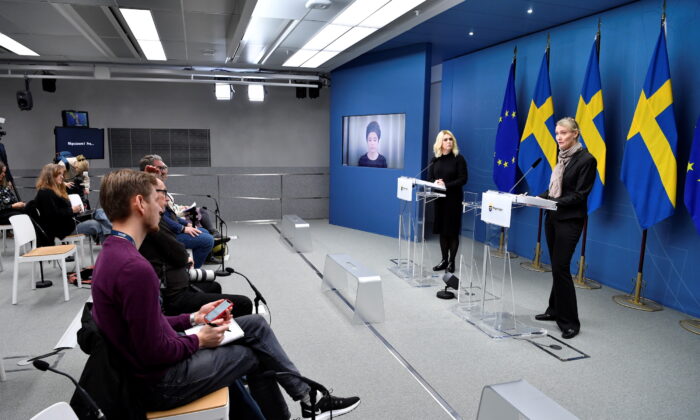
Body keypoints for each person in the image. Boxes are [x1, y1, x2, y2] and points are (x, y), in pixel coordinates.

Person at [91, 169, 360, 419]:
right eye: (155, 199)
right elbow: (153, 351)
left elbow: (150, 325)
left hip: (144, 370)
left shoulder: (112, 254)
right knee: (254, 355)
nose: (161, 208)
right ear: (140, 203)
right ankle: (301, 405)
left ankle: (307, 400)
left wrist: (195, 318)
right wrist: (200, 341)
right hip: (159, 383)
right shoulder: (135, 269)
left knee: (254, 325)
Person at [140, 176, 253, 317]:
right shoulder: (155, 226)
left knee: (214, 287)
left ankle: (211, 325)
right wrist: (185, 256)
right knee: (244, 303)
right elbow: (179, 254)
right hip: (175, 297)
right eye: (164, 192)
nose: (167, 198)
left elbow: (176, 250)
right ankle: (205, 328)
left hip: (179, 285)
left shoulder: (155, 222)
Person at [534, 117, 597, 340]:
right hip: (552, 218)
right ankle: (554, 310)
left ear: (575, 134)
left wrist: (551, 202)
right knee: (556, 266)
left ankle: (570, 322)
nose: (558, 137)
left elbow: (580, 195)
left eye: (563, 133)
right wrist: (534, 198)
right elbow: (553, 191)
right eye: (557, 133)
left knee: (561, 267)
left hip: (569, 220)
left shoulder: (586, 160)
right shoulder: (561, 158)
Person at [138, 154, 221, 238]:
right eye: (159, 168)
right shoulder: (145, 191)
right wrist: (183, 228)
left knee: (203, 223)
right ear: (148, 170)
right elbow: (163, 216)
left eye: (164, 168)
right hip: (169, 228)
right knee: (205, 236)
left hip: (174, 219)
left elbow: (169, 210)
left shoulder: (161, 188)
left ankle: (213, 235)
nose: (163, 172)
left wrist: (185, 220)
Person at [32, 163, 104, 246]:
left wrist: (74, 210)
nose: (62, 177)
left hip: (69, 224)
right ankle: (113, 243)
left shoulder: (52, 191)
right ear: (51, 176)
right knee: (97, 224)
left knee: (100, 212)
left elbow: (60, 211)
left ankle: (113, 241)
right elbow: (52, 216)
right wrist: (72, 210)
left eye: (62, 174)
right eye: (59, 174)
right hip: (64, 230)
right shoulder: (45, 193)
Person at [428, 130, 468, 273]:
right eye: (445, 139)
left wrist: (446, 185)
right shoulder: (435, 159)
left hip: (454, 200)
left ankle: (452, 262)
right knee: (442, 232)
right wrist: (435, 182)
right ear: (440, 142)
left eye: (451, 139)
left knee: (452, 232)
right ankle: (444, 260)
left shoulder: (459, 158)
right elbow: (429, 178)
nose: (449, 142)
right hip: (439, 199)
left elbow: (463, 179)